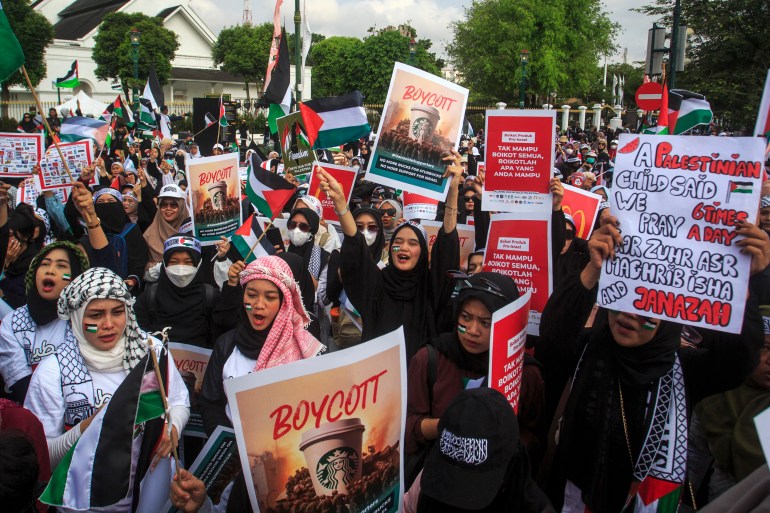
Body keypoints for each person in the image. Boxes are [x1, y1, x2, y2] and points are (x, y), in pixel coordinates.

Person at [536, 218, 767, 513]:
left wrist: (739, 284)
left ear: (669, 316)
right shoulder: (589, 348)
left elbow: (738, 361)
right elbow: (553, 335)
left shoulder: (684, 371)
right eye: (622, 301)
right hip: (570, 495)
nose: (628, 317)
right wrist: (593, 269)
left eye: (646, 308)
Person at [24, 268, 190, 480]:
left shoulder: (151, 351)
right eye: (96, 315)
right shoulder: (53, 372)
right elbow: (42, 454)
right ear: (76, 317)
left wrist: (172, 428)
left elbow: (179, 402)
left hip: (152, 486)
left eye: (117, 312)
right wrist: (87, 428)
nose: (109, 325)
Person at [319, 151, 461, 362]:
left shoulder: (430, 289)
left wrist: (453, 191)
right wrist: (341, 204)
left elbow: (447, 247)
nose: (404, 247)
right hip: (377, 381)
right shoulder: (377, 285)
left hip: (418, 386)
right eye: (398, 242)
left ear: (422, 253)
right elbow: (356, 251)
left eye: (413, 243)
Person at [406, 272, 545, 482]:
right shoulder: (428, 359)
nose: (472, 330)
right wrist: (448, 426)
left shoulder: (526, 375)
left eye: (486, 323)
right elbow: (409, 427)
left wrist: (498, 441)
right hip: (437, 481)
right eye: (466, 317)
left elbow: (533, 438)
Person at [199, 256, 325, 436]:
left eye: (270, 297)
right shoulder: (226, 345)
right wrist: (234, 447)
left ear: (283, 303)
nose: (258, 305)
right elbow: (211, 403)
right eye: (251, 295)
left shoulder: (304, 350)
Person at [404, 388, 555, 513]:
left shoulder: (535, 508)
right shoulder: (429, 479)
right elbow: (408, 506)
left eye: (471, 488)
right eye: (451, 481)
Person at [0, 242, 90, 403]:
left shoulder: (87, 318)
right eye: (44, 264)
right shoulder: (13, 323)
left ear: (75, 276)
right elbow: (19, 380)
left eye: (62, 266)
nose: (50, 270)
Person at [135, 235, 222, 348]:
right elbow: (139, 334)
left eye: (188, 262)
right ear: (165, 264)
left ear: (198, 264)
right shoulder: (150, 297)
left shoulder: (210, 296)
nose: (181, 268)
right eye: (174, 262)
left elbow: (220, 334)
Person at [77, 186, 148, 294]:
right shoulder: (89, 235)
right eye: (100, 202)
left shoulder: (132, 230)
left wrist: (133, 279)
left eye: (111, 201)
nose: (106, 205)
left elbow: (139, 260)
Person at [143, 184, 191, 280]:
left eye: (174, 205)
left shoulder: (192, 231)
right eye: (164, 205)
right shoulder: (148, 235)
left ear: (181, 206)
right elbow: (143, 272)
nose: (168, 208)